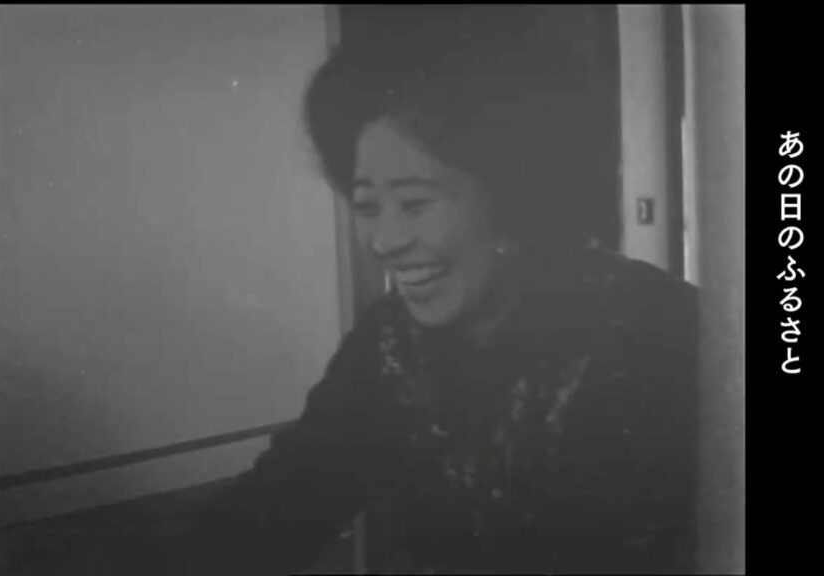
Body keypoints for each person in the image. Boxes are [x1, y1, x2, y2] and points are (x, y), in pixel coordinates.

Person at [183, 8, 700, 574]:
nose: (383, 241)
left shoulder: (652, 328)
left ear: (512, 197)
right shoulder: (390, 343)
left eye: (415, 203)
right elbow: (279, 503)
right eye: (367, 206)